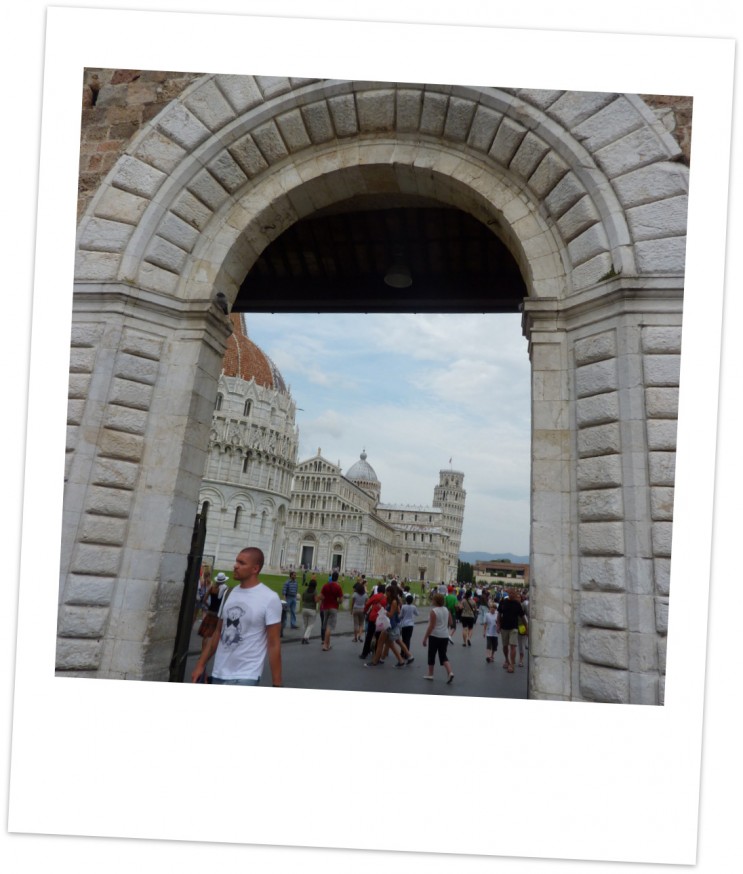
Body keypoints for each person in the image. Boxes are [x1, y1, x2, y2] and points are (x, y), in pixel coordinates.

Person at [191, 547, 282, 686]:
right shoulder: (228, 593)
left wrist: (277, 683)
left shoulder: (270, 598)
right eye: (236, 561)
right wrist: (200, 664)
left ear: (255, 569)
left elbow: (274, 644)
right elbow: (217, 633)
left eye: (241, 563)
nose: (235, 565)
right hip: (219, 673)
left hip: (246, 676)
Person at [422, 592, 454, 683]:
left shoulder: (434, 611)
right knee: (443, 655)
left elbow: (431, 626)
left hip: (435, 635)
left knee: (431, 654)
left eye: (433, 599)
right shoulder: (446, 610)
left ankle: (430, 674)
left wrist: (425, 638)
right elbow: (451, 622)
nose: (432, 600)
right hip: (444, 635)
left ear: (435, 601)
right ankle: (450, 672)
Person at [497, 588, 528, 673]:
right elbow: (499, 614)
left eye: (513, 593)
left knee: (513, 646)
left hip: (514, 627)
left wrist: (526, 627)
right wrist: (498, 625)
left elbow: (523, 616)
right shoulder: (503, 602)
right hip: (504, 627)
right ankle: (507, 660)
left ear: (515, 594)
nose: (512, 594)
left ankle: (512, 665)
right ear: (508, 593)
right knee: (505, 646)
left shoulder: (517, 604)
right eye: (510, 593)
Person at [359, 584, 387, 660]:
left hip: (373, 617)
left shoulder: (375, 596)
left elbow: (368, 604)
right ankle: (376, 653)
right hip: (380, 619)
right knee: (378, 637)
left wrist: (364, 611)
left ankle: (364, 653)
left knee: (369, 636)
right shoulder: (385, 598)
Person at [319, 572, 344, 651]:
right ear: (337, 578)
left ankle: (328, 644)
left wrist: (324, 601)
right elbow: (341, 600)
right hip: (333, 608)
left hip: (325, 608)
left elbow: (321, 596)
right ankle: (325, 645)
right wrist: (337, 602)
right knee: (329, 628)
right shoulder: (338, 587)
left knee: (326, 626)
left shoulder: (325, 586)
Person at [300, 579, 319, 643]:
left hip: (304, 608)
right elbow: (316, 600)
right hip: (311, 609)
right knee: (310, 625)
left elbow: (302, 598)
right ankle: (305, 637)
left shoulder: (305, 591)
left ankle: (306, 637)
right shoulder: (315, 591)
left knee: (306, 624)